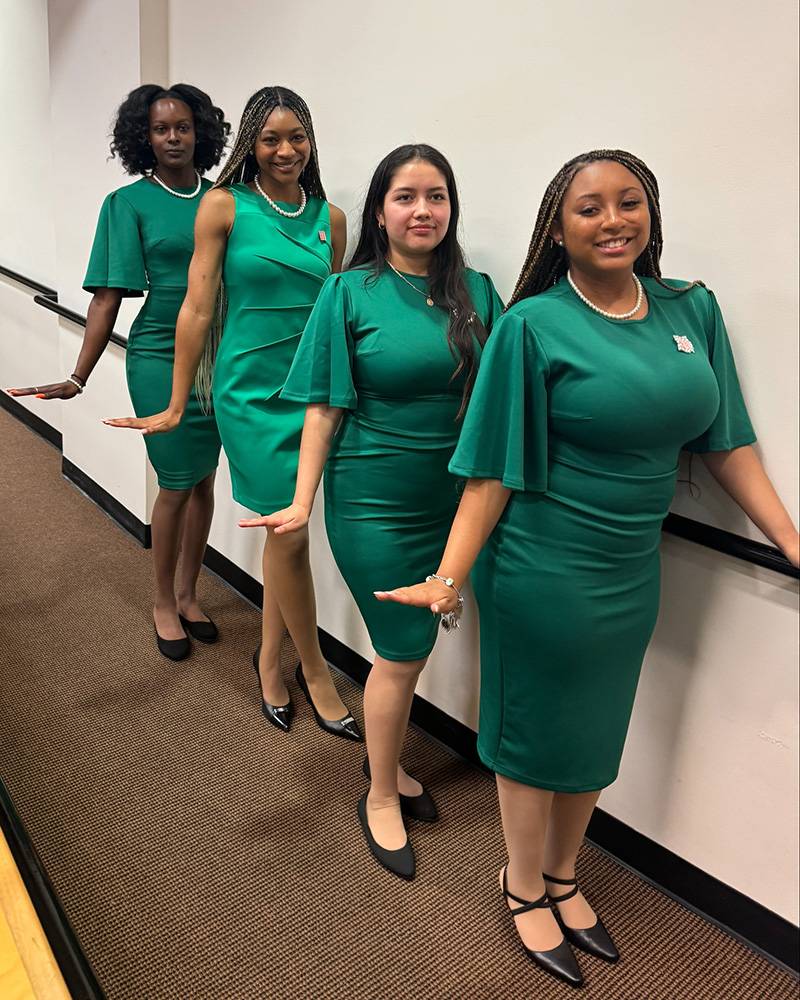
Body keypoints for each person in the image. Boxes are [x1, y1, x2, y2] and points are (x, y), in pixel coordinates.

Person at [377, 149, 800, 987]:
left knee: (596, 733)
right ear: (557, 229)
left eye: (629, 202)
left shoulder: (692, 309)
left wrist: (790, 538)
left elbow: (728, 440)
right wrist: (451, 576)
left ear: (651, 213)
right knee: (535, 740)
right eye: (589, 208)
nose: (613, 221)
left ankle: (567, 877)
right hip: (543, 566)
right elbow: (491, 468)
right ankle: (523, 884)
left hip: (630, 568)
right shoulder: (533, 326)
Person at [242, 145, 503, 880]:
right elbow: (323, 407)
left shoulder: (478, 291)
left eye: (437, 196)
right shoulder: (349, 292)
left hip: (455, 502)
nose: (423, 210)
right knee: (401, 648)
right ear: (380, 211)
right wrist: (299, 499)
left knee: (418, 642)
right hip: (375, 500)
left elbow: (505, 394)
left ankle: (388, 767)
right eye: (405, 197)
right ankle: (381, 792)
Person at [106, 87, 361, 740]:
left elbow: (331, 316)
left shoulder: (330, 218)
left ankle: (269, 659)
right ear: (251, 144)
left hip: (309, 397)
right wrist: (175, 398)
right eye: (271, 138)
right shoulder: (223, 206)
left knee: (285, 536)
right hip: (248, 395)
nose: (285, 150)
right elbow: (194, 308)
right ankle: (316, 673)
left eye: (296, 136)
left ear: (311, 141)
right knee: (292, 534)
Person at [9, 84, 230, 661]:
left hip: (224, 351)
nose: (174, 137)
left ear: (200, 132)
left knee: (205, 479)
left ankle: (188, 593)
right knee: (176, 481)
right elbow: (108, 298)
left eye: (183, 126)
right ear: (144, 138)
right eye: (161, 129)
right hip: (160, 351)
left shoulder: (226, 198)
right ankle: (161, 600)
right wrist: (79, 375)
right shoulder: (127, 203)